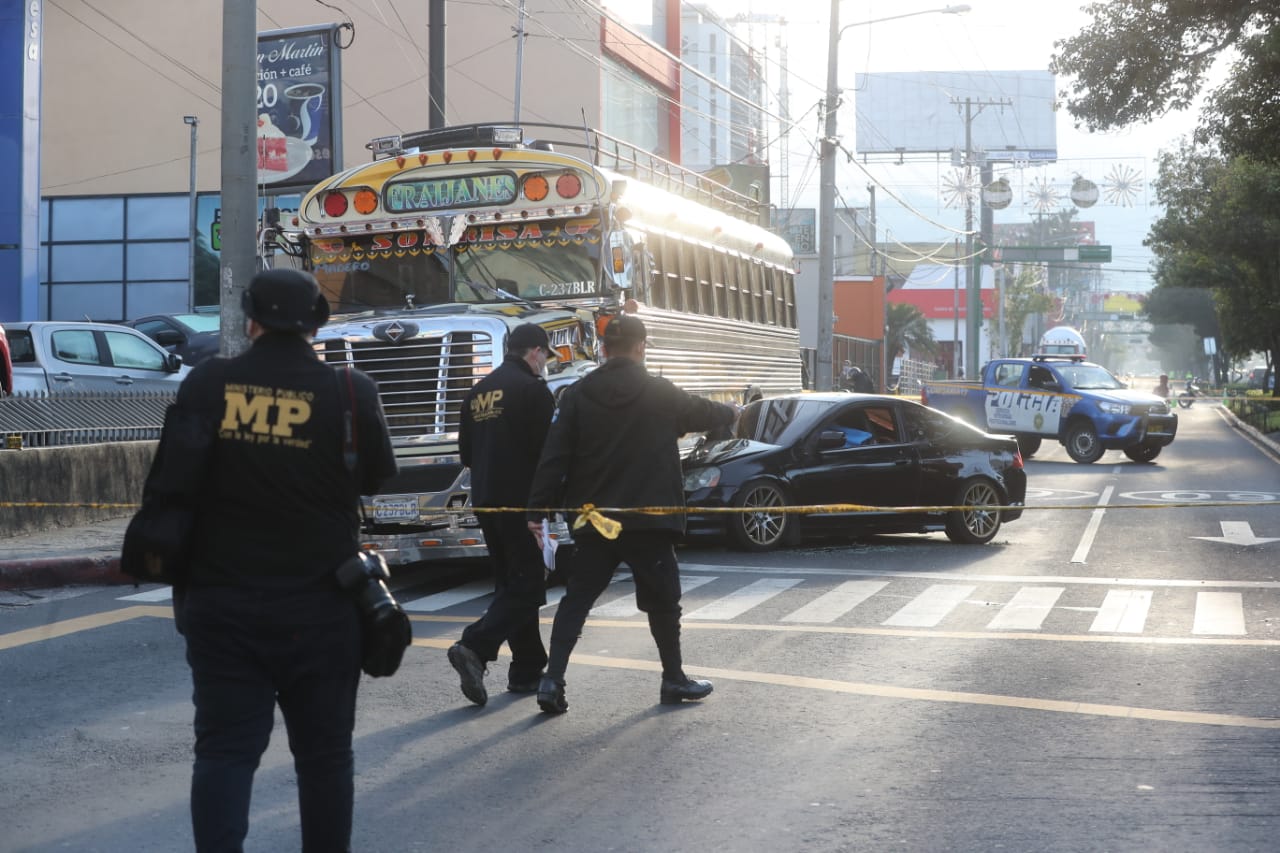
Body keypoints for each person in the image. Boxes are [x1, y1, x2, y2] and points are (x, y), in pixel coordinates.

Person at [159, 269, 396, 853]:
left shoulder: (210, 383)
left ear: (249, 319)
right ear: (319, 321)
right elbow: (376, 477)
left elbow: (172, 479)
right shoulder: (350, 391)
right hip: (324, 607)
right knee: (325, 757)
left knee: (224, 751)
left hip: (223, 603)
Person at [526, 315, 737, 714]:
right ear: (642, 347)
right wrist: (730, 411)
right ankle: (673, 679)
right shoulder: (660, 392)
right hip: (649, 519)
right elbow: (703, 412)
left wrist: (537, 510)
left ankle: (552, 680)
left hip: (595, 520)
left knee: (577, 601)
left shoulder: (577, 394)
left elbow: (554, 457)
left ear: (603, 349)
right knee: (663, 603)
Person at [446, 323, 557, 706]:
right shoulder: (533, 392)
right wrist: (544, 507)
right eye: (545, 356)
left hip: (487, 500)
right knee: (527, 587)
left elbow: (466, 456)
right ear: (535, 352)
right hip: (522, 503)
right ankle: (474, 646)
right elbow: (549, 456)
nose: (545, 364)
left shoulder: (476, 392)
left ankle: (526, 669)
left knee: (512, 584)